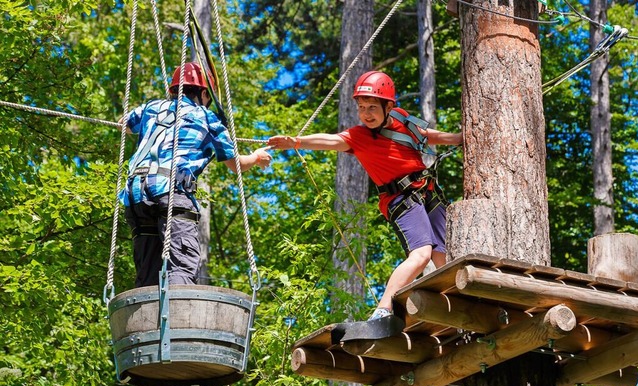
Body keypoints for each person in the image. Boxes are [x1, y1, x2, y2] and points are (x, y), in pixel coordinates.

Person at [267, 71, 462, 320]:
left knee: (444, 257)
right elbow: (330, 141)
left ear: (389, 106)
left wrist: (457, 139)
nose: (366, 114)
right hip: (401, 201)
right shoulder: (359, 137)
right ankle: (383, 309)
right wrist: (296, 142)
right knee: (422, 255)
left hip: (428, 192)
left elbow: (425, 136)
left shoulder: (402, 119)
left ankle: (453, 310)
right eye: (361, 108)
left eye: (372, 107)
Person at [120, 61, 271, 288]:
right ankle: (177, 321)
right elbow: (236, 164)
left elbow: (124, 124)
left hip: (135, 195)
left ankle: (147, 319)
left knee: (148, 272)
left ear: (174, 90)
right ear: (202, 92)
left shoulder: (152, 108)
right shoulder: (207, 117)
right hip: (171, 191)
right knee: (181, 264)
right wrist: (257, 157)